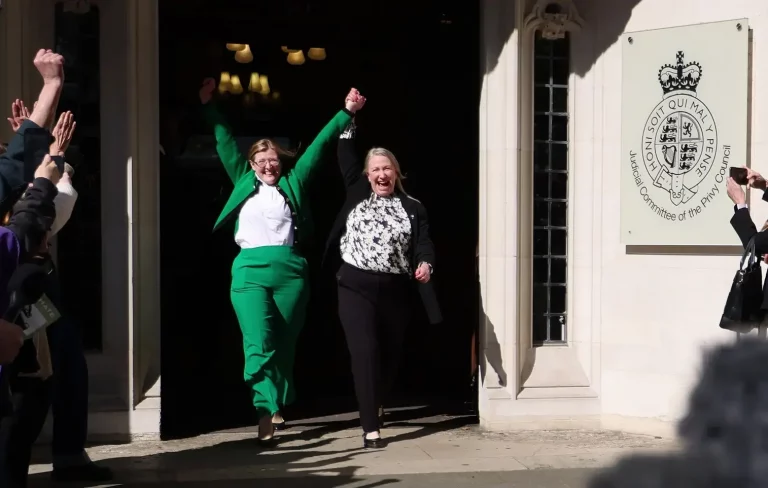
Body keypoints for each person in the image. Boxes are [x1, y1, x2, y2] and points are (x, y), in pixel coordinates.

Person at [199, 78, 359, 443]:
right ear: (251, 163)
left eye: (274, 159)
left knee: (284, 344)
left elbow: (319, 147)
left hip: (291, 272)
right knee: (257, 341)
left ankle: (278, 402)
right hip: (249, 271)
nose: (269, 165)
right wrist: (209, 106)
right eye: (262, 160)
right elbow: (224, 140)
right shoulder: (243, 181)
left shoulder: (293, 183)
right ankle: (265, 408)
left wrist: (346, 112)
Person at [325, 89, 442, 449]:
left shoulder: (413, 206)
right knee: (364, 351)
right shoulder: (357, 190)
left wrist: (425, 263)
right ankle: (370, 427)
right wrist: (349, 115)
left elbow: (423, 243)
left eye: (386, 167)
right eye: (374, 168)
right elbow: (344, 151)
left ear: (396, 171)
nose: (380, 173)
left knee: (389, 356)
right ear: (366, 174)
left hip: (394, 289)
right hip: (354, 284)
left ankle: (376, 401)